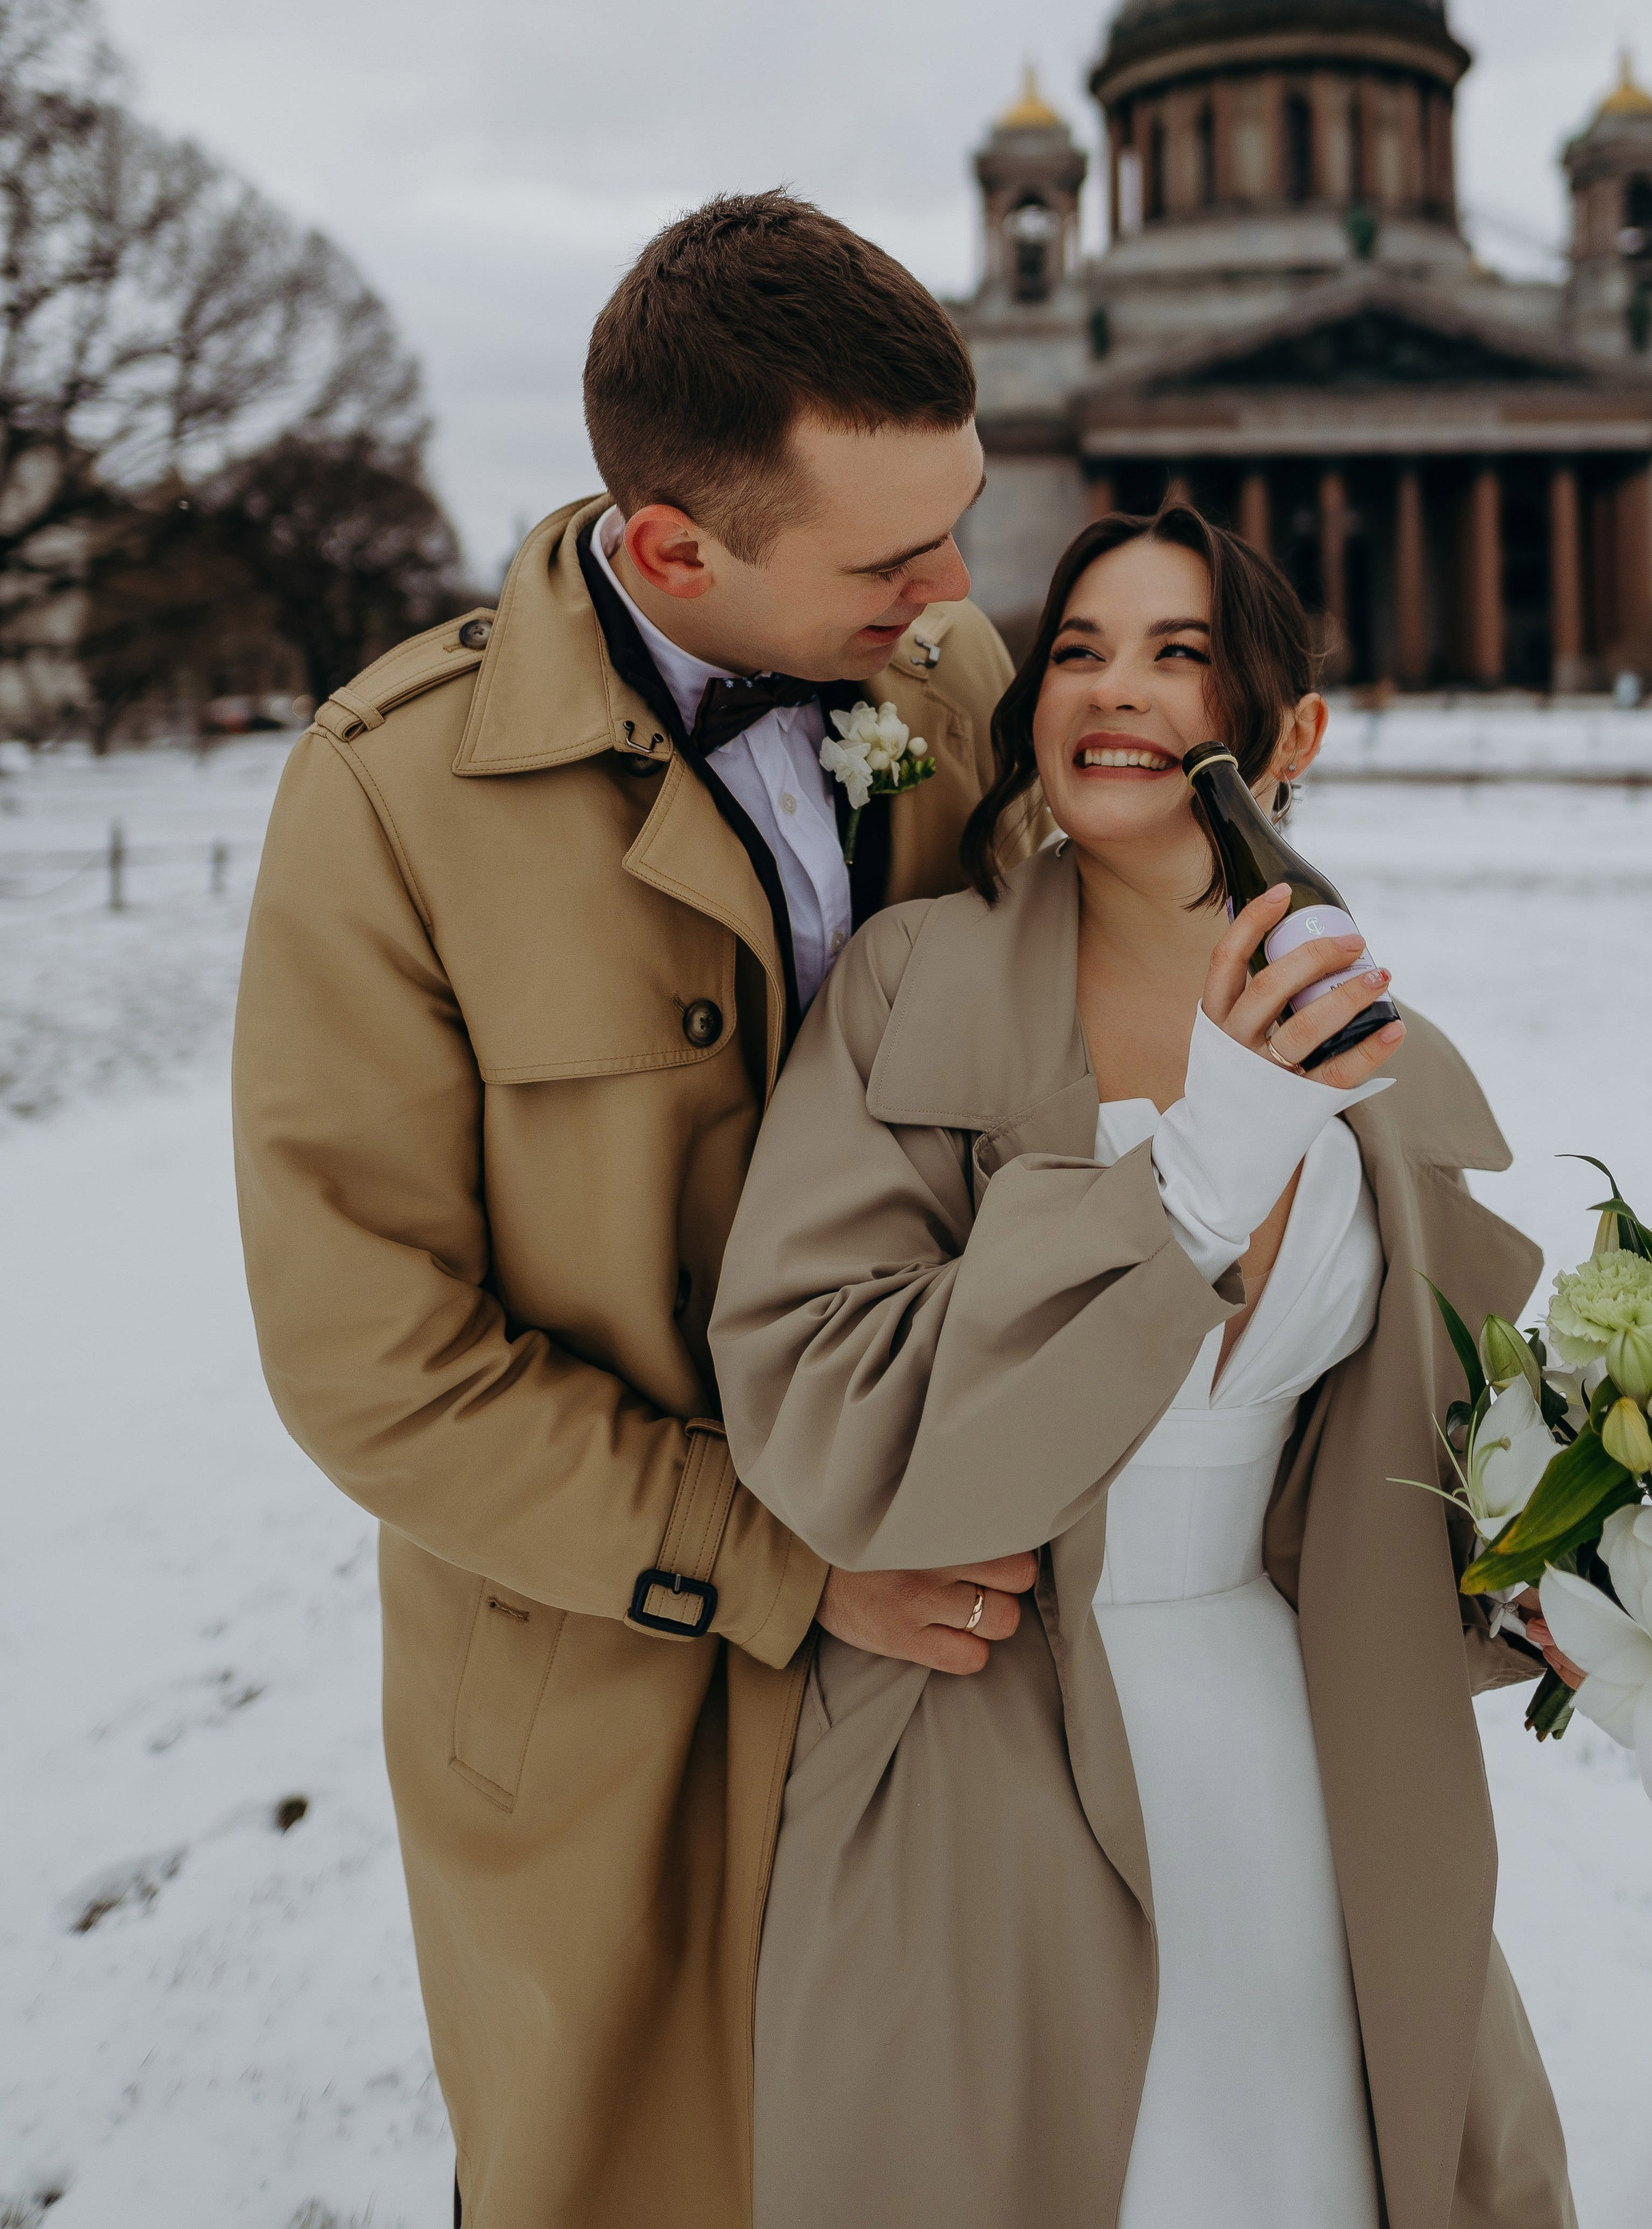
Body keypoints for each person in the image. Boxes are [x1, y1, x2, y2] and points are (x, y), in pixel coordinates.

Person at [231, 192, 1045, 2229]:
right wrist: (778, 1560)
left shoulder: (951, 681)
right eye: (891, 554)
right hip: (607, 1710)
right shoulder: (386, 797)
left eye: (963, 519)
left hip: (975, 1656)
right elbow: (371, 1367)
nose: (954, 588)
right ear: (677, 547)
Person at [711, 505, 1577, 2229]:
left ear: (1292, 730)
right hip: (984, 1752)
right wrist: (1194, 1172)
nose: (1115, 692)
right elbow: (826, 1419)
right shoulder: (908, 990)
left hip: (1304, 1765)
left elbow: (1404, 1459)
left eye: (1181, 655)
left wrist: (1574, 1570)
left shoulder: (1379, 1059)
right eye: (1083, 650)